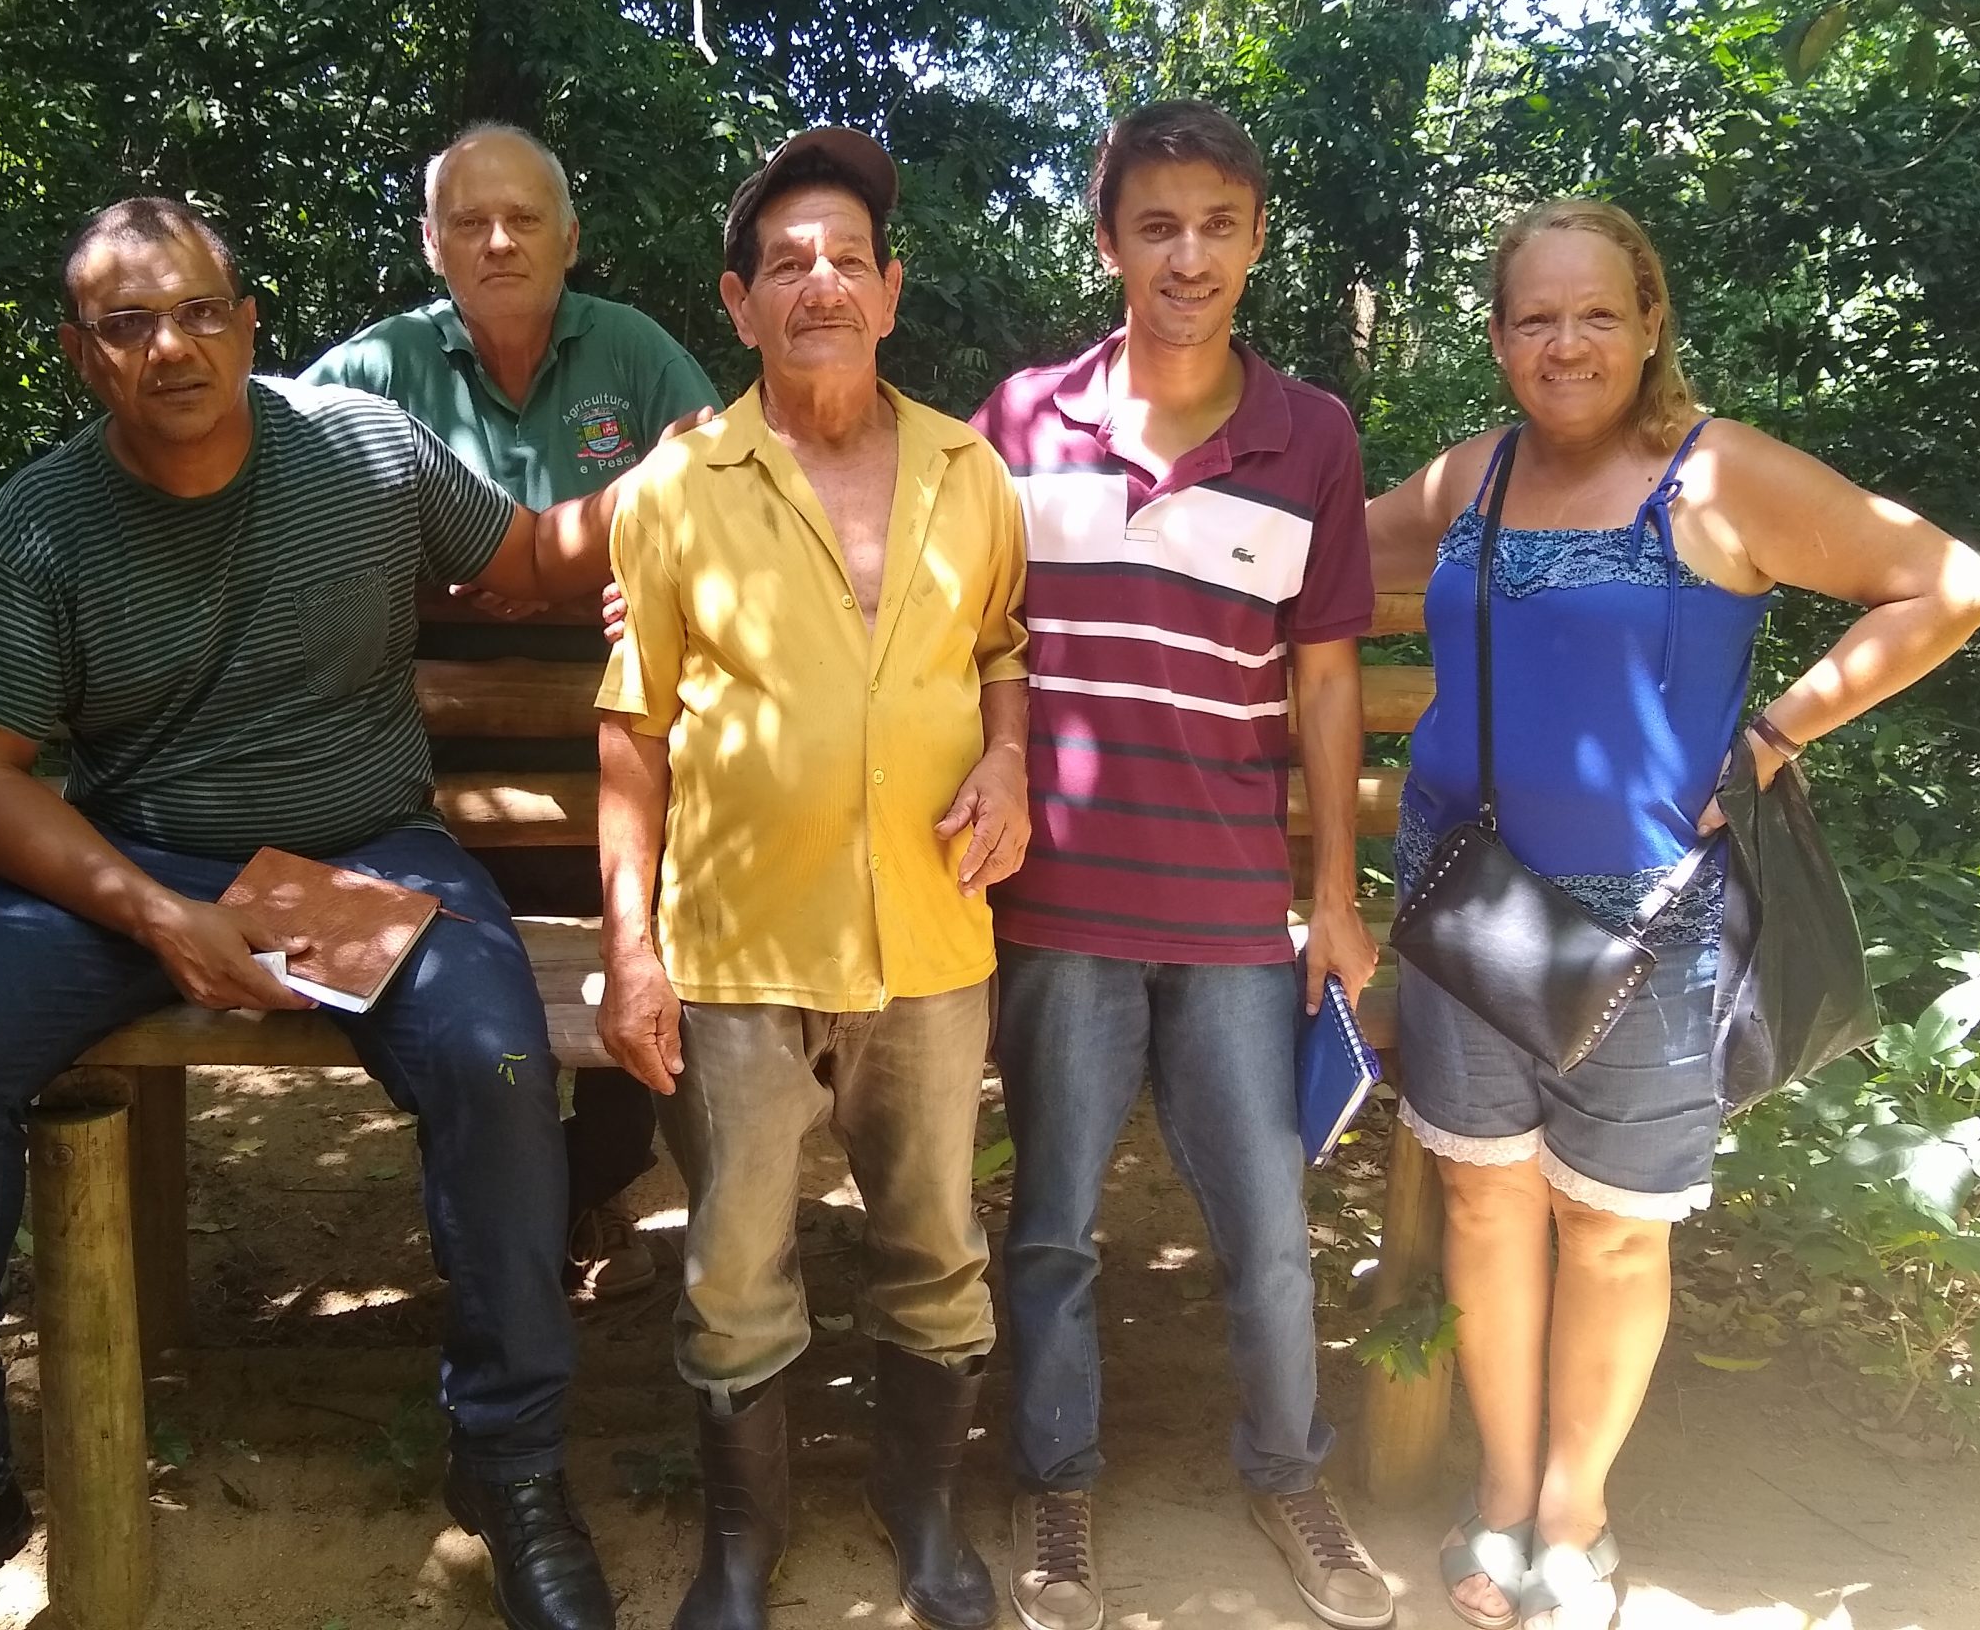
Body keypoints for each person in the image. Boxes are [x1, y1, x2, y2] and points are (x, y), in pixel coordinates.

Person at [0, 198, 633, 1630]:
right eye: (128, 324)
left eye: (197, 312)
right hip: (136, 855)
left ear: (247, 325)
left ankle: (509, 1463)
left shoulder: (364, 450)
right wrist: (153, 912)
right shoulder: (51, 519)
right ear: (83, 354)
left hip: (365, 851)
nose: (170, 346)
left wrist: (685, 476)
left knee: (495, 1058)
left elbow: (531, 557)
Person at [1366, 199, 1980, 1630]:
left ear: (1650, 322)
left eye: (1598, 313)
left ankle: (1574, 1518)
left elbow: (1947, 585)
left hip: (1647, 924)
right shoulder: (1470, 475)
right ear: (1498, 337)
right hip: (1471, 906)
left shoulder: (1717, 475)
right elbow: (1318, 551)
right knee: (1486, 1200)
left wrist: (1774, 734)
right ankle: (1502, 1498)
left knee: (1609, 1229)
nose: (1566, 343)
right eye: (1536, 317)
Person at [594, 128, 1031, 1630]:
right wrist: (632, 952)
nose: (822, 283)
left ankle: (923, 1512)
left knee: (937, 1244)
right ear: (740, 303)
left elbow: (1002, 650)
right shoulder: (674, 489)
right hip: (735, 944)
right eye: (787, 264)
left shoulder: (971, 473)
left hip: (930, 932)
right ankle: (740, 1544)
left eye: (848, 258)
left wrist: (1010, 760)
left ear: (892, 292)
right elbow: (632, 730)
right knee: (734, 1263)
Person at [970, 101, 1393, 1630]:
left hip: (1229, 919)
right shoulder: (1019, 423)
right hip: (1060, 914)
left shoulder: (1311, 438)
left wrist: (1332, 898)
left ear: (1256, 238)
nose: (1188, 256)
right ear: (1109, 243)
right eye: (1157, 226)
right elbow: (964, 641)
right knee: (1051, 1231)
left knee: (1269, 1234)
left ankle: (1289, 1474)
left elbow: (1326, 680)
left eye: (1218, 225)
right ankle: (1056, 1486)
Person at [302, 122, 721, 1299]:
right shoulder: (372, 373)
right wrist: (465, 575)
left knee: (658, 953)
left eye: (524, 219)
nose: (498, 241)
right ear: (430, 243)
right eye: (470, 222)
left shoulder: (634, 353)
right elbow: (284, 519)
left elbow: (717, 506)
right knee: (432, 994)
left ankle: (580, 1179)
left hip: (621, 790)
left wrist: (557, 577)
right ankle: (512, 1192)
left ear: (569, 239)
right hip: (425, 800)